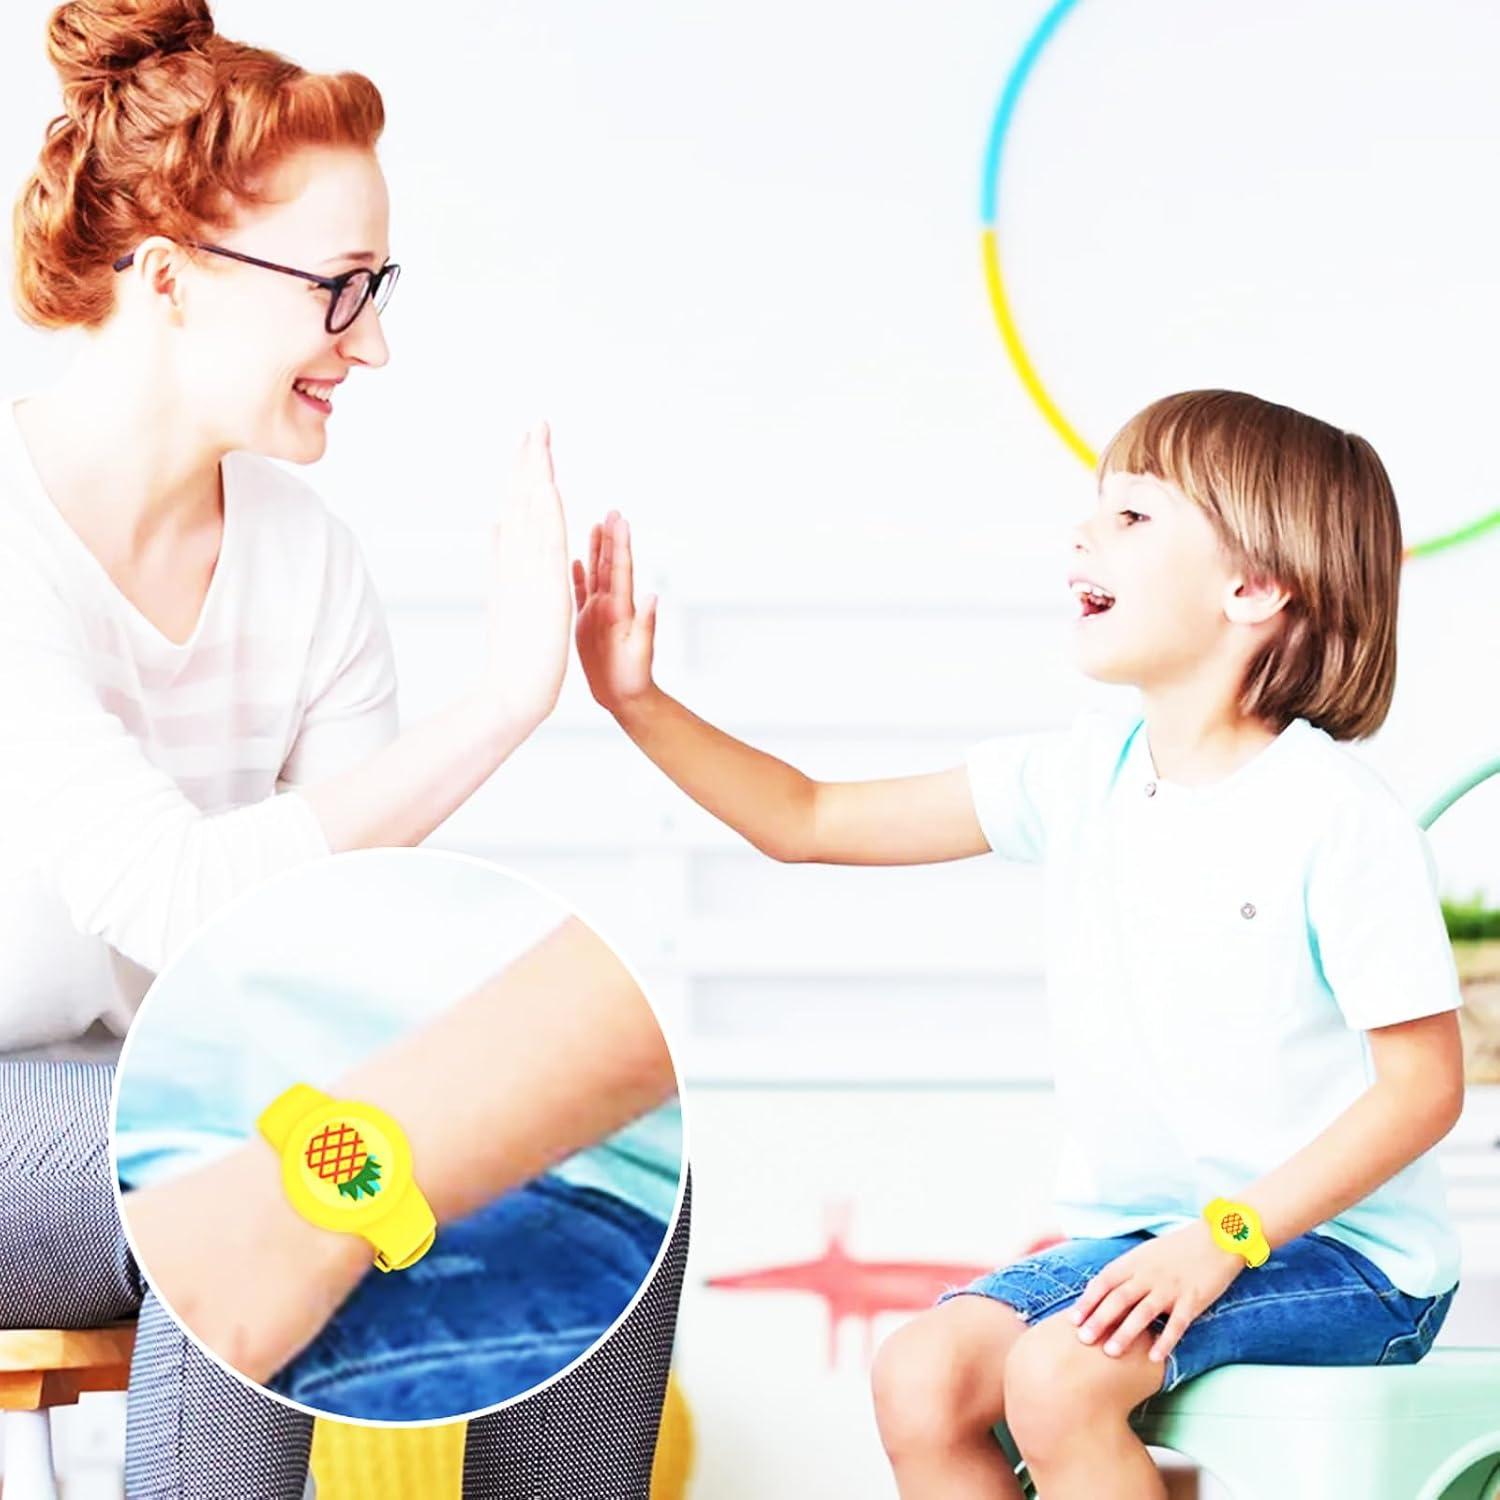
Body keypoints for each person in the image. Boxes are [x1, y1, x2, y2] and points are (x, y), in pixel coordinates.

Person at [573, 388, 1465, 1499]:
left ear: (1256, 585)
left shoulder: (1338, 817)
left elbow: (1424, 1088)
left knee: (1055, 1378)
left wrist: (1225, 1238)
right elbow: (808, 820)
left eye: (1135, 517)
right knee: (920, 1376)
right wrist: (637, 703)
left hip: (1347, 1259)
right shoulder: (1082, 775)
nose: (1085, 534)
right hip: (1155, 1237)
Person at [0, 1, 612, 1491]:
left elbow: (344, 954)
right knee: (266, 1175)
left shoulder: (305, 559)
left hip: (187, 1092)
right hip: (57, 1110)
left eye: (378, 288)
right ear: (169, 282)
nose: (376, 343)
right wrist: (504, 699)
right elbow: (175, 899)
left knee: (599, 1199)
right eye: (342, 290)